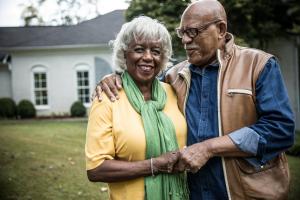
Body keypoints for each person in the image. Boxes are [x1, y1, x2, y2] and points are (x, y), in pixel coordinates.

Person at [95, 0, 295, 199]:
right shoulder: (172, 77)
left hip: (246, 193)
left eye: (192, 31)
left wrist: (209, 148)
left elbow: (281, 129)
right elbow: (141, 80)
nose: (185, 40)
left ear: (221, 29)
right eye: (182, 33)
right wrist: (116, 77)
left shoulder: (258, 65)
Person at [85, 16, 189, 200]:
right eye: (139, 49)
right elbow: (96, 169)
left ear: (162, 58)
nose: (148, 57)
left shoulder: (174, 92)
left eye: (156, 51)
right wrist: (155, 165)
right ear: (125, 54)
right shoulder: (108, 97)